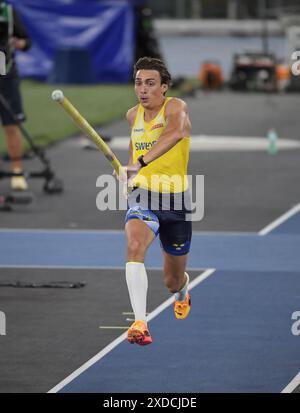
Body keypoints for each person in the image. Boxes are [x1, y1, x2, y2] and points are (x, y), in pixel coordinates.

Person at [119, 57, 192, 346]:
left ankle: (183, 290)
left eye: (150, 83)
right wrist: (127, 173)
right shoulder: (131, 116)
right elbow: (134, 148)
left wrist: (139, 161)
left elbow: (176, 134)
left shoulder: (176, 108)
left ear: (164, 87)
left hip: (176, 200)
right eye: (138, 83)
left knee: (171, 281)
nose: (143, 89)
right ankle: (140, 322)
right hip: (144, 195)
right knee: (134, 246)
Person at [0, 0, 31, 190]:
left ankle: (17, 172)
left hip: (7, 75)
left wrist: (19, 43)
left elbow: (27, 42)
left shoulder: (8, 12)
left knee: (12, 125)